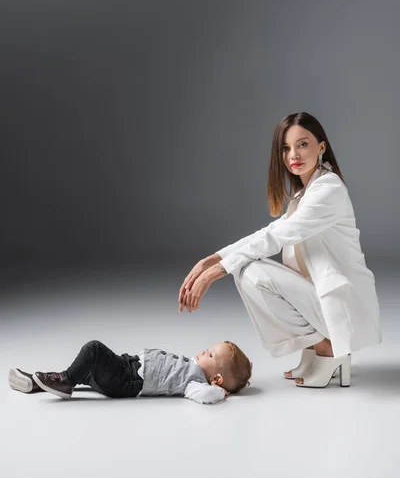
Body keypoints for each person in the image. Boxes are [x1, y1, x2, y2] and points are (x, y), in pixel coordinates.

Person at [178, 112, 382, 389]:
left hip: (342, 302)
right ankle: (317, 346)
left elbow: (278, 236)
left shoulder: (328, 188)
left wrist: (218, 270)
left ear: (321, 147)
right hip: (321, 298)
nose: (293, 155)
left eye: (302, 144)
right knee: (246, 269)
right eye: (286, 148)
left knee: (251, 271)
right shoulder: (304, 194)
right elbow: (268, 232)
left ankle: (327, 347)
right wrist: (213, 259)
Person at [8, 339, 252, 404]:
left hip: (128, 380)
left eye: (210, 354)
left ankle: (63, 381)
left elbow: (202, 396)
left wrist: (219, 392)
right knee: (87, 370)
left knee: (93, 350)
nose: (203, 350)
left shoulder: (196, 382)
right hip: (127, 367)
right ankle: (39, 383)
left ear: (217, 379)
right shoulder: (194, 368)